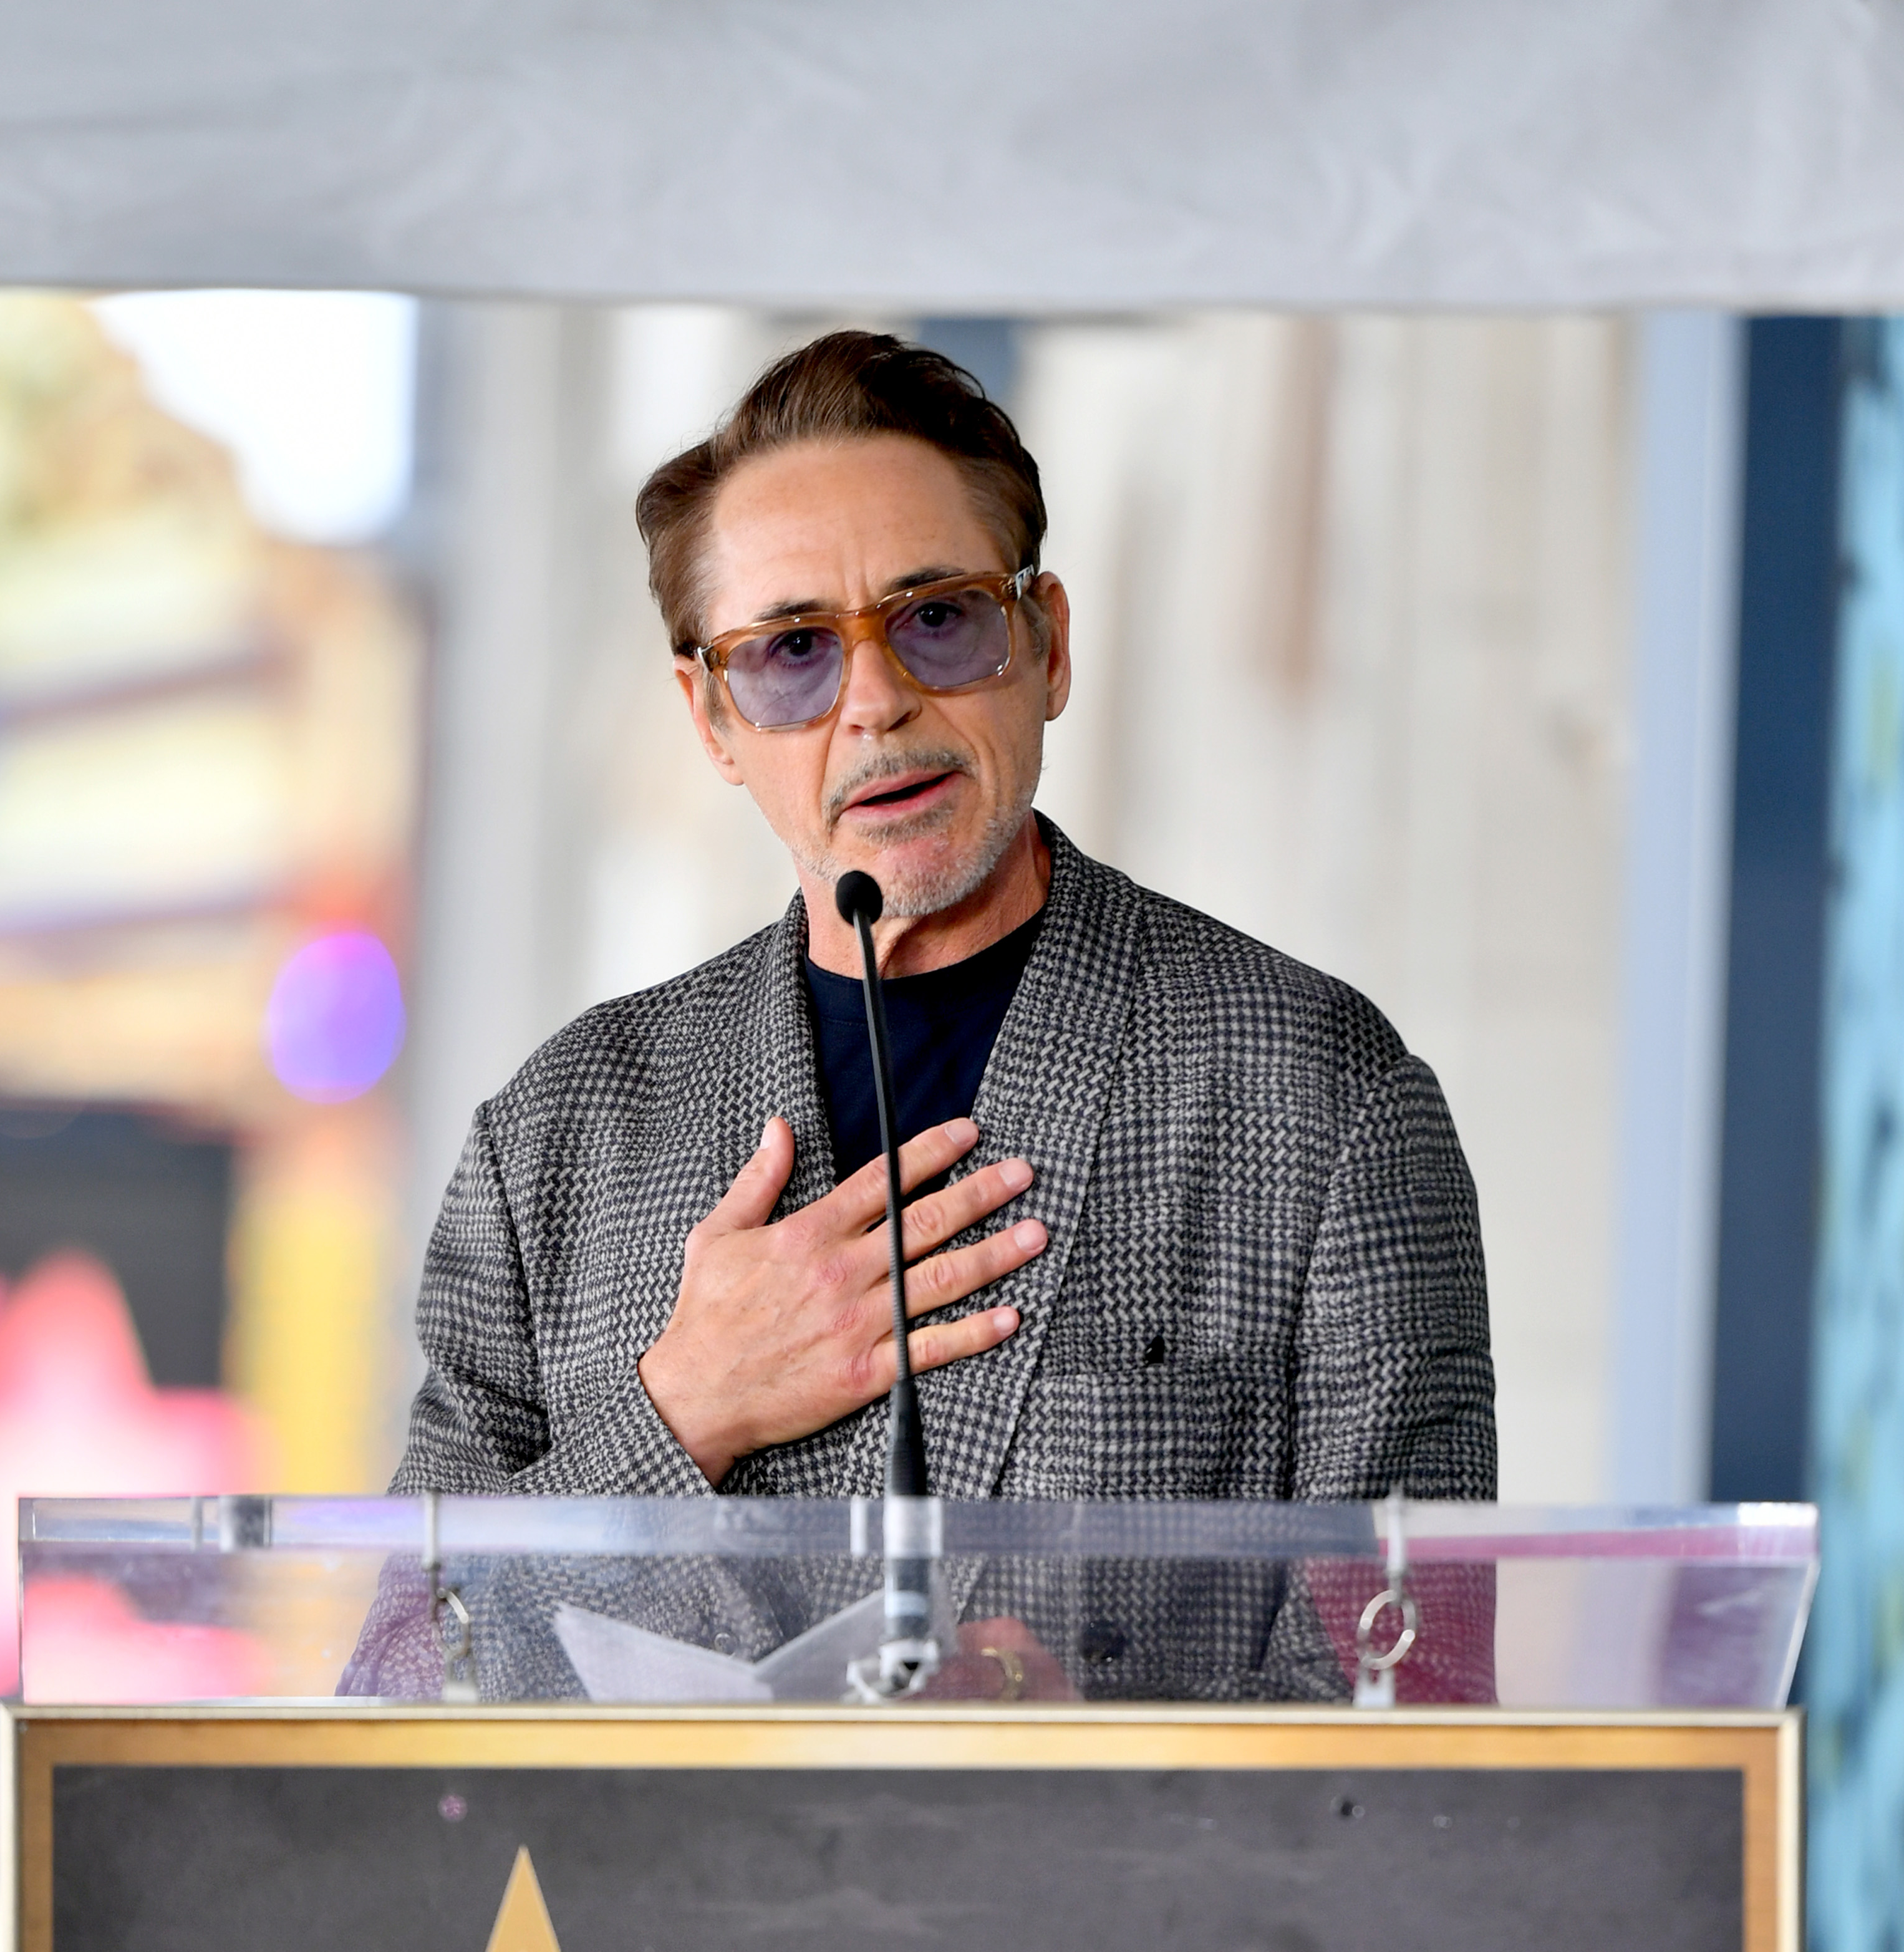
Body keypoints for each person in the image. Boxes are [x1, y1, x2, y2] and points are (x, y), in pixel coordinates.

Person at [395, 330, 1494, 1514]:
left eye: (939, 619)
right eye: (793, 652)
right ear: (712, 721)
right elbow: (405, 1666)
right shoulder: (554, 1141)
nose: (875, 702)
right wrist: (688, 1408)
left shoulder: (1323, 1100)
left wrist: (1060, 1706)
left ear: (1049, 645)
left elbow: (1413, 1670)